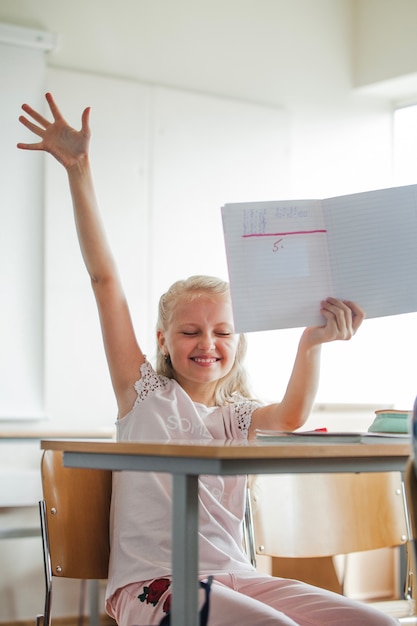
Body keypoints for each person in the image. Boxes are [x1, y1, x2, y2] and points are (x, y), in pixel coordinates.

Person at [18, 93, 398, 626]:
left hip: (236, 575)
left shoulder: (238, 414)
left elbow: (291, 416)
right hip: (153, 583)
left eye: (222, 332)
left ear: (238, 341)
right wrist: (79, 170)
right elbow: (106, 282)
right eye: (190, 331)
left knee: (375, 622)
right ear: (163, 339)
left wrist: (311, 344)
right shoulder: (144, 394)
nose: (207, 344)